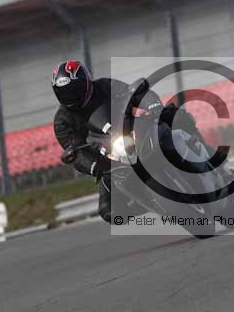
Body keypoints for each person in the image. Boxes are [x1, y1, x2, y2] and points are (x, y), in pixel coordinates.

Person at [51, 60, 162, 223]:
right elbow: (74, 151)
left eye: (74, 89)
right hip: (109, 156)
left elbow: (133, 93)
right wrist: (95, 166)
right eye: (65, 92)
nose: (71, 95)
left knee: (172, 117)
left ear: (86, 83)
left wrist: (152, 105)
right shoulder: (62, 121)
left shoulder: (104, 86)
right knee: (109, 211)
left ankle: (200, 151)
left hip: (132, 128)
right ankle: (156, 205)